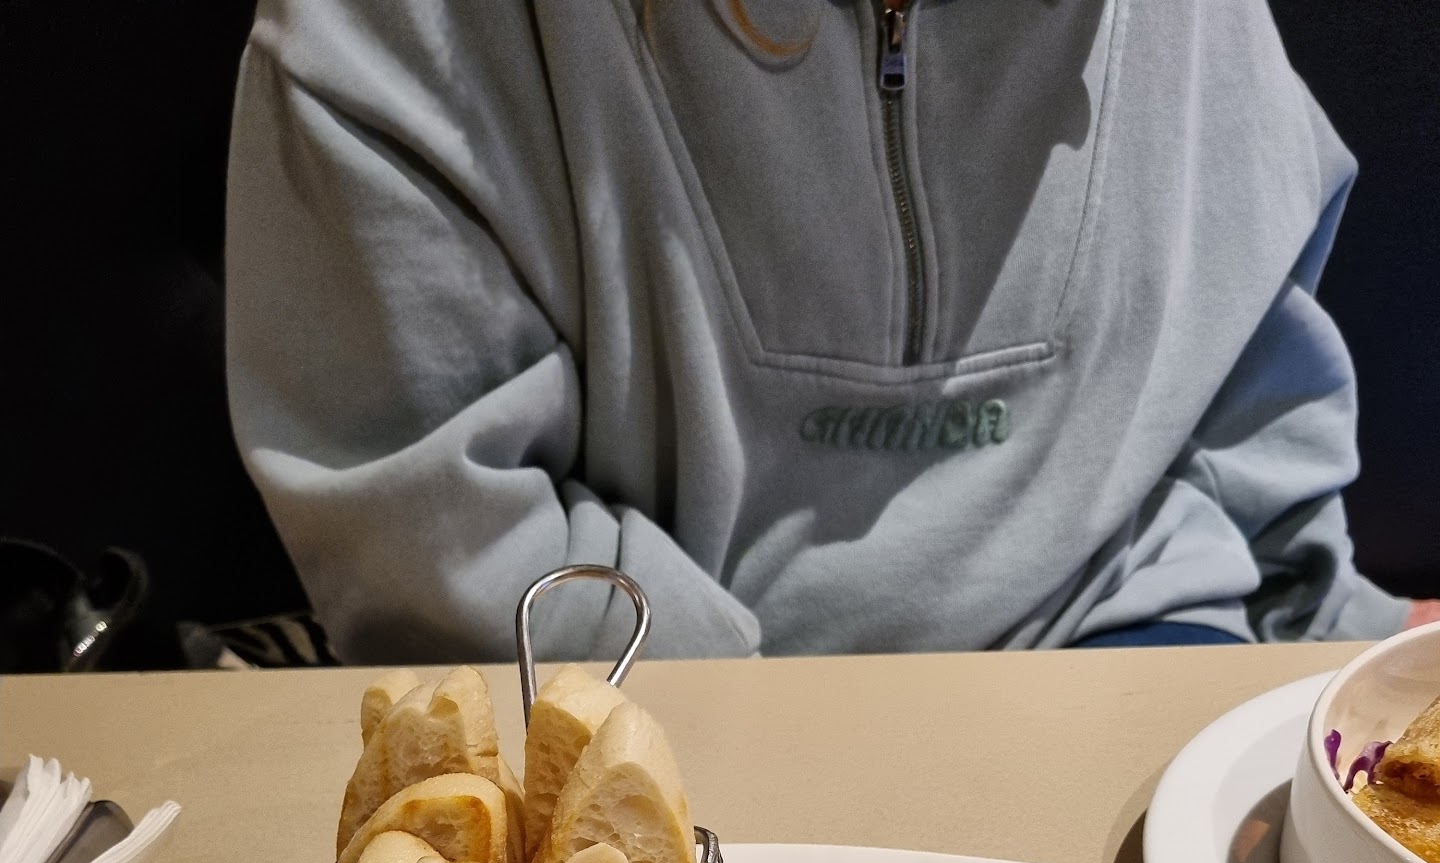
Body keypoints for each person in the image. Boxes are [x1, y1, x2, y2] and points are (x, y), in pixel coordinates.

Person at [225, 0, 1436, 663]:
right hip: (654, 722)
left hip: (1142, 640)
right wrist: (768, 745)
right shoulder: (393, 35)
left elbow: (1249, 376)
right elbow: (432, 535)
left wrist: (1346, 654)